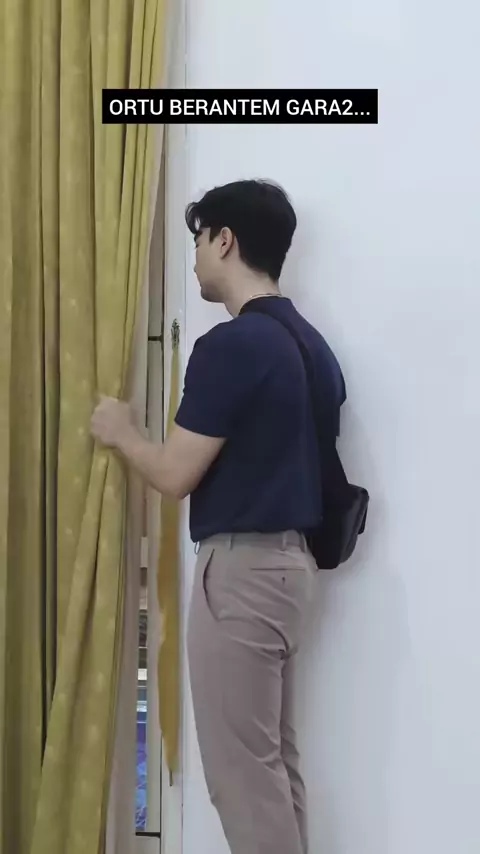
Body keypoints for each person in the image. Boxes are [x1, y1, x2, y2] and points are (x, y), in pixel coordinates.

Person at [91, 179, 346, 854]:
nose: (197, 256)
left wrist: (121, 431)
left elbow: (175, 474)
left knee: (243, 780)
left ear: (224, 240)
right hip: (290, 572)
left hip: (242, 575)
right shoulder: (312, 348)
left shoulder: (234, 347)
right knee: (271, 769)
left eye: (199, 240)